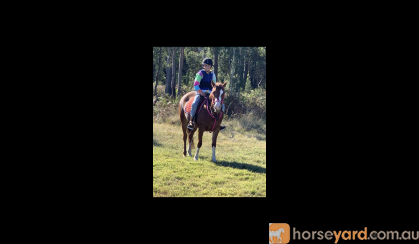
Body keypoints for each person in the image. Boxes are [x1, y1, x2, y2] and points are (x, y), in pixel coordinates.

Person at [187, 58, 226, 131]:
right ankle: (191, 121)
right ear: (203, 66)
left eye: (208, 66)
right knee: (195, 103)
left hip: (211, 93)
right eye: (205, 65)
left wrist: (214, 92)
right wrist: (200, 92)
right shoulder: (200, 73)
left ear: (210, 66)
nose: (206, 67)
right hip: (200, 92)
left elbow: (214, 86)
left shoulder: (212, 74)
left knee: (222, 105)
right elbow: (196, 84)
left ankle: (219, 123)